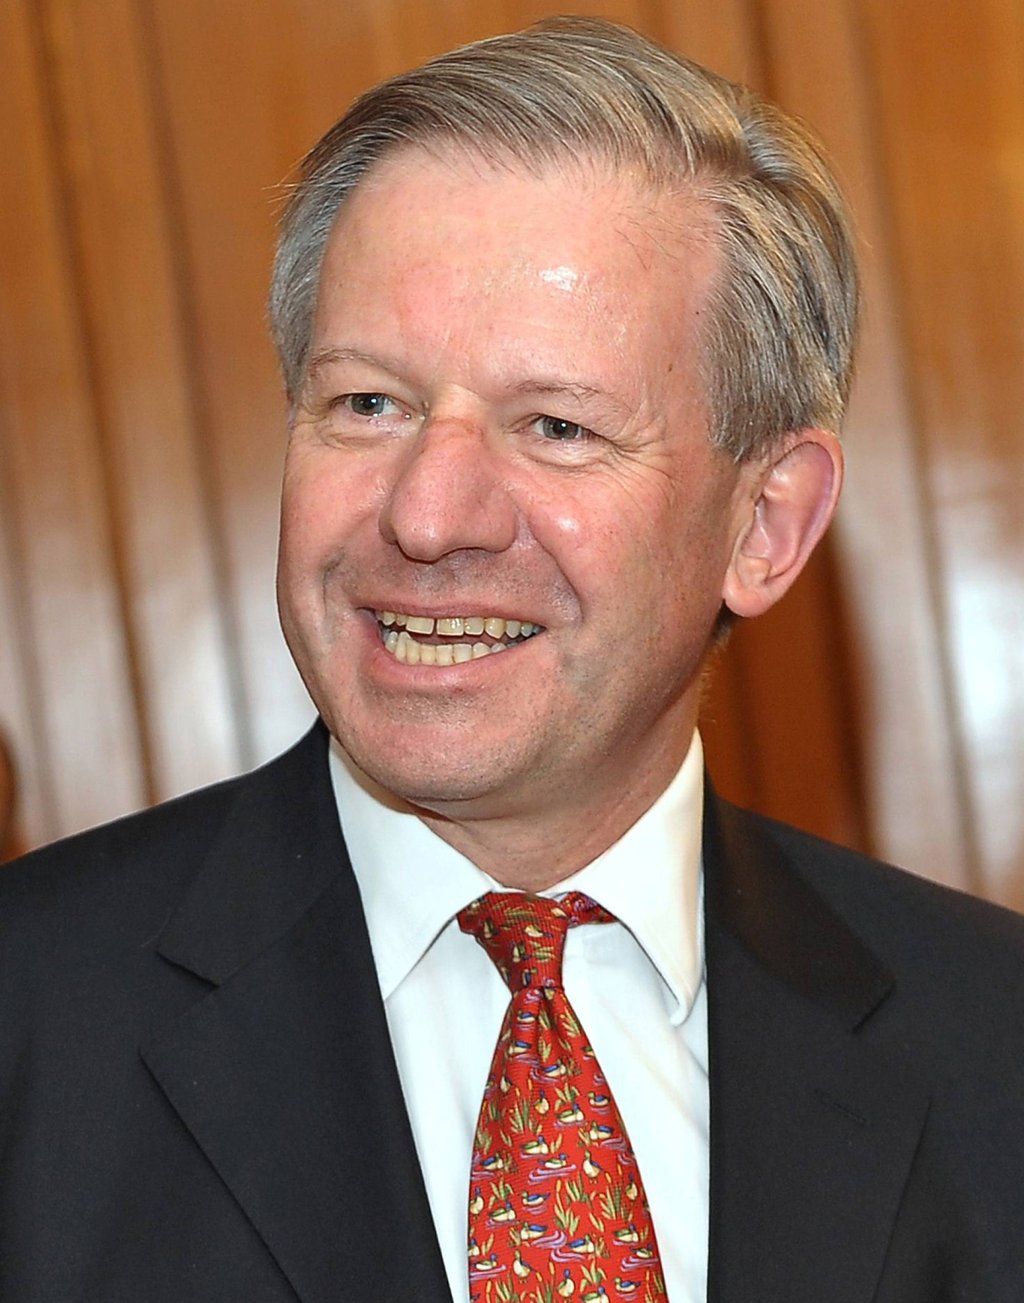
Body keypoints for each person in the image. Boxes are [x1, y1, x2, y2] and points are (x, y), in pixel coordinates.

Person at [2, 17, 1023, 1303]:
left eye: (555, 426)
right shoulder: (28, 1020)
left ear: (762, 525)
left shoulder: (993, 1047)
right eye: (368, 403)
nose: (428, 517)